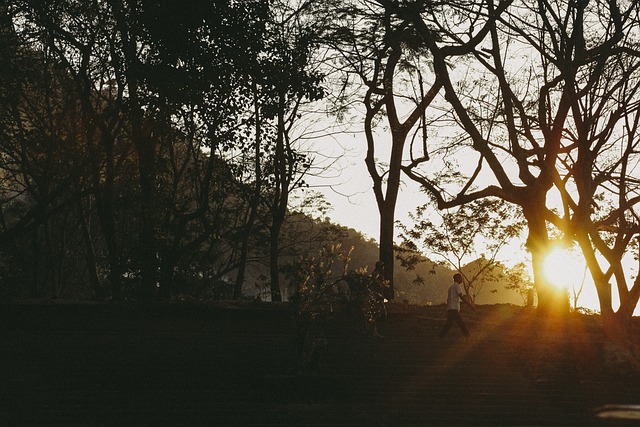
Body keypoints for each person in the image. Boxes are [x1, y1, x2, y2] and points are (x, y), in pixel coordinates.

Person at [439, 273, 474, 338]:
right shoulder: (457, 286)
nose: (462, 279)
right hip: (454, 308)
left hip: (450, 308)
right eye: (460, 278)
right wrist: (470, 305)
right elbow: (461, 297)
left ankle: (441, 335)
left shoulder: (451, 287)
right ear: (457, 278)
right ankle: (467, 336)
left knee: (449, 324)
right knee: (460, 323)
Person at [363, 261, 387, 337]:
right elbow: (373, 280)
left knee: (378, 313)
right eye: (382, 266)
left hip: (377, 295)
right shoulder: (377, 273)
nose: (383, 268)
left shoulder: (379, 274)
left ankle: (374, 331)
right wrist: (379, 284)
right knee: (376, 313)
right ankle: (372, 331)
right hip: (375, 295)